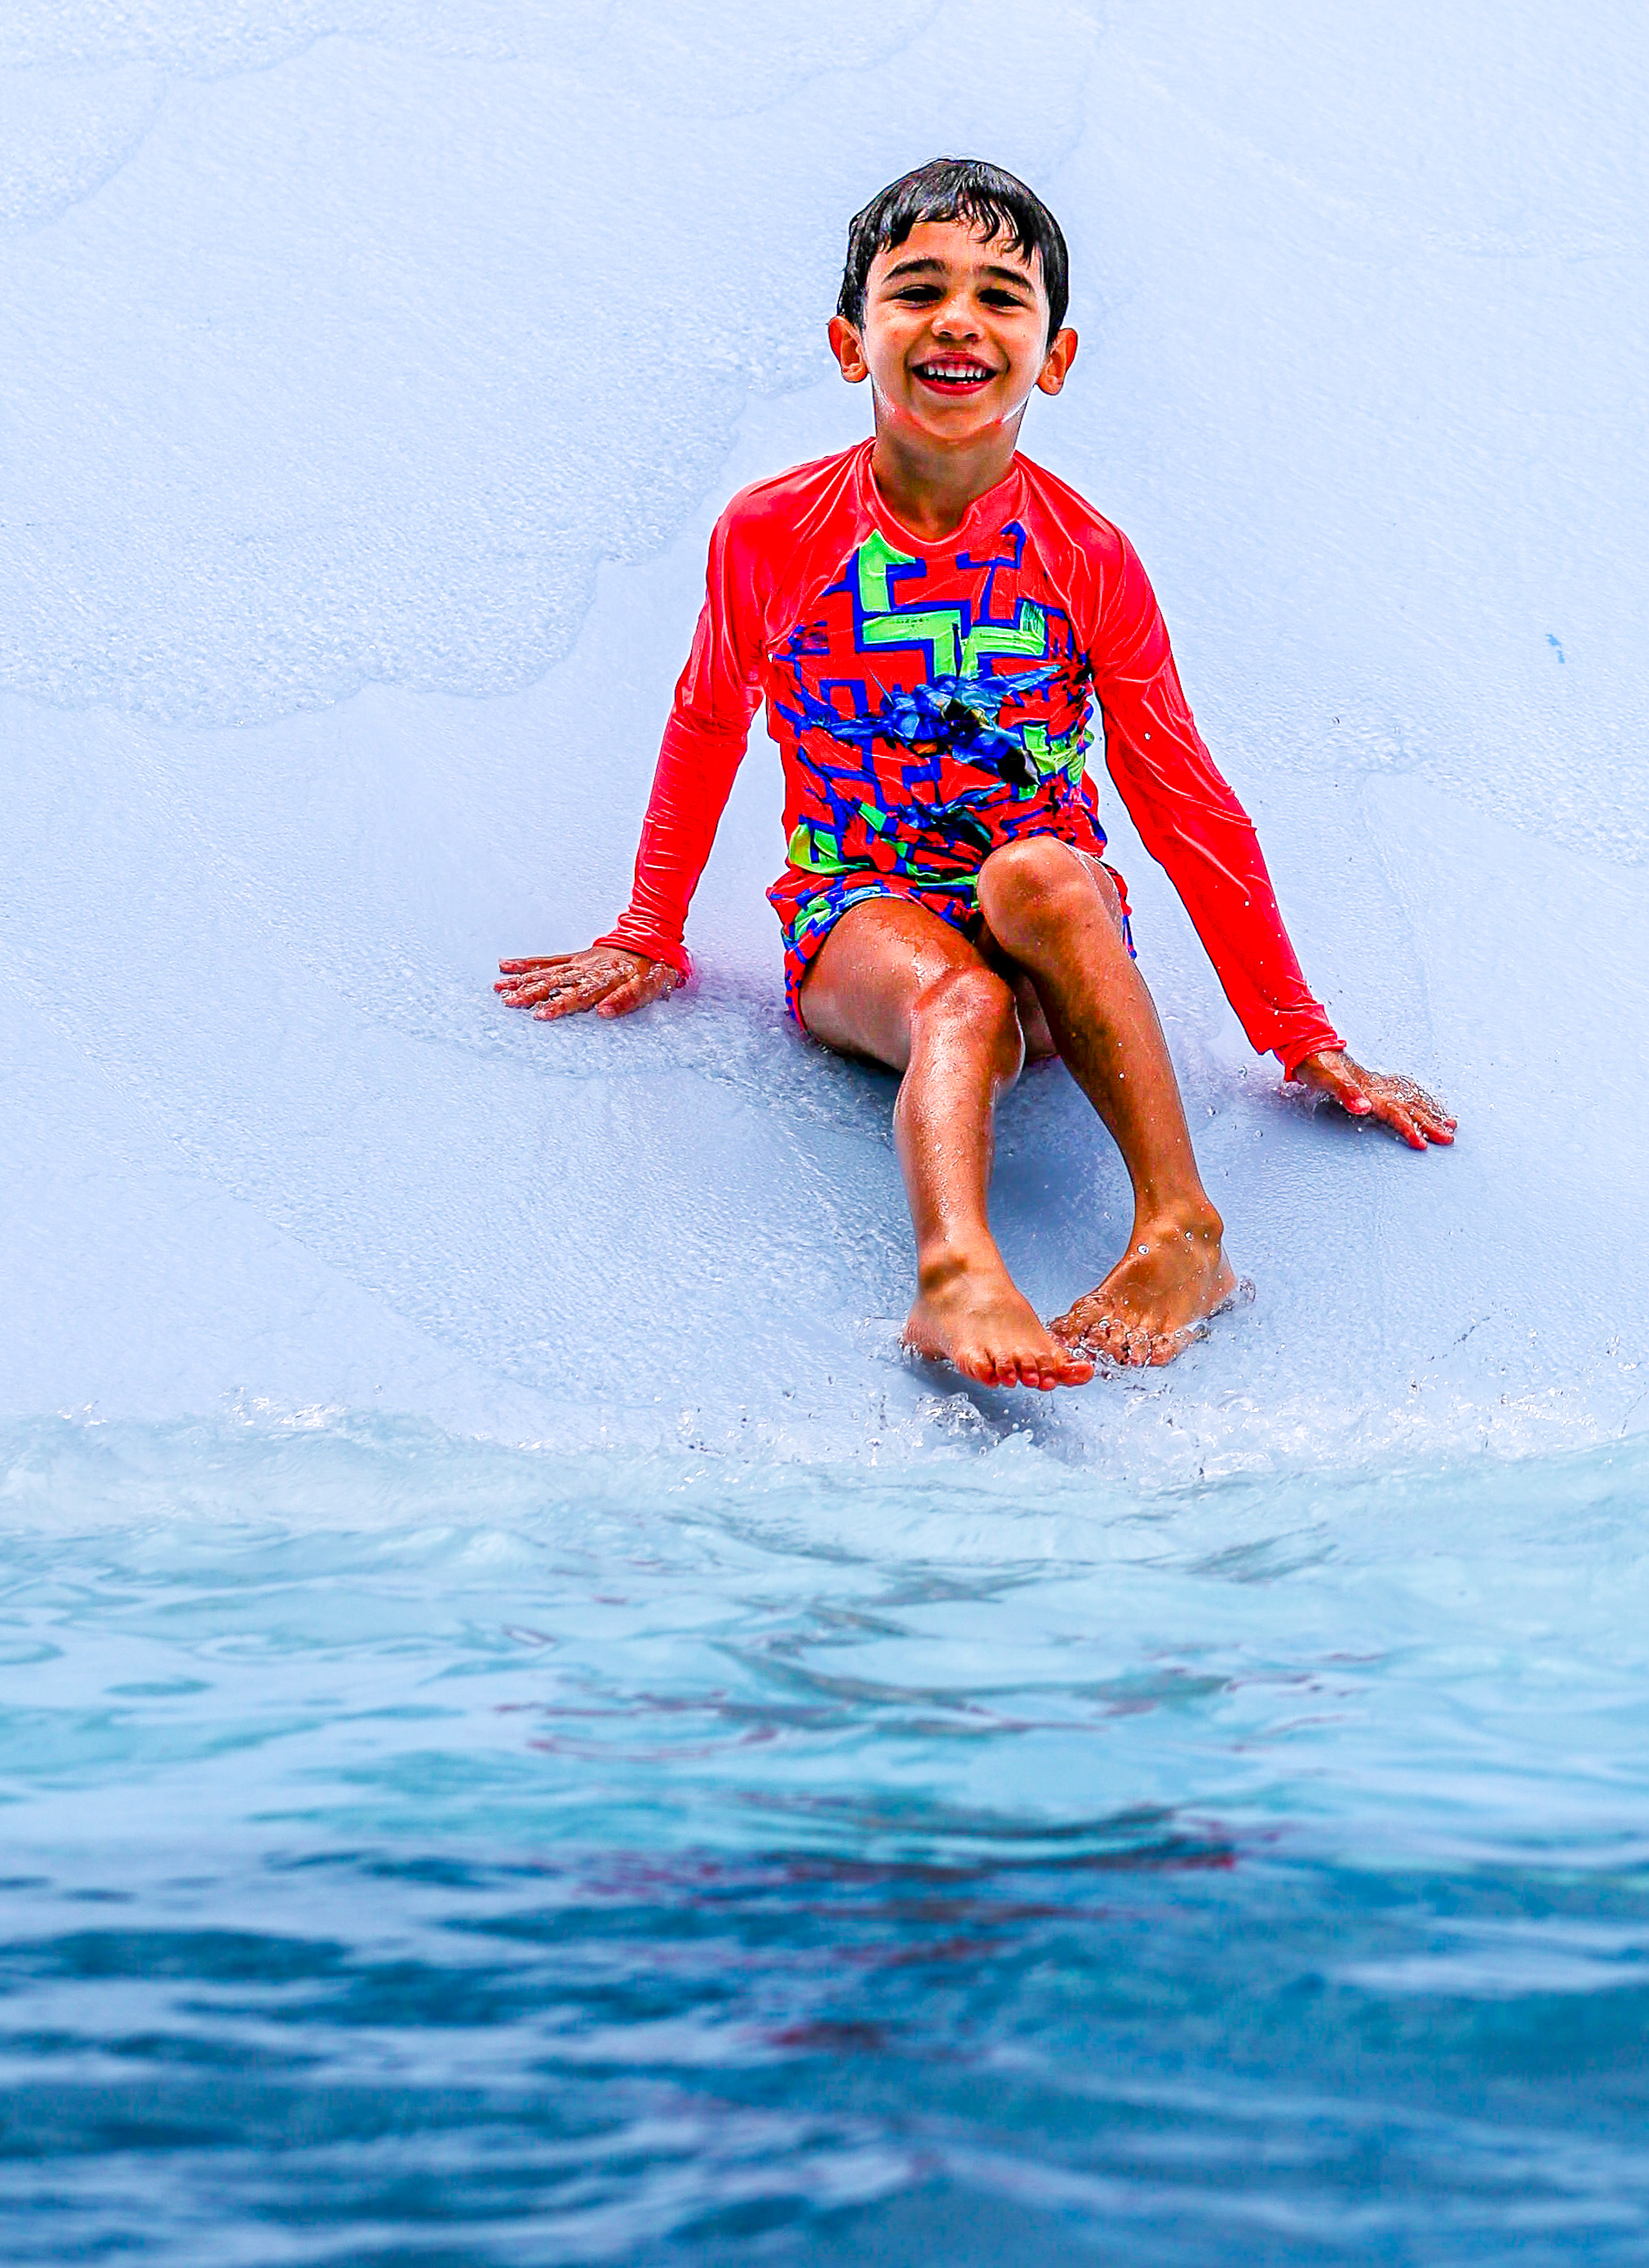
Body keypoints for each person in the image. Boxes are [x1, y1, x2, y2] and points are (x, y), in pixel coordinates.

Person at [498, 159, 1454, 1390]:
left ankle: (1183, 1231)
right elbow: (707, 722)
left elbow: (1181, 794)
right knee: (961, 1005)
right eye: (918, 290)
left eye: (1002, 296)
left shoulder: (1087, 556)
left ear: (1054, 357)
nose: (958, 320)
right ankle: (956, 1273)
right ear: (852, 341)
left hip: (1052, 938)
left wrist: (1299, 1035)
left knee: (1042, 873)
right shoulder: (772, 534)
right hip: (859, 920)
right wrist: (646, 930)